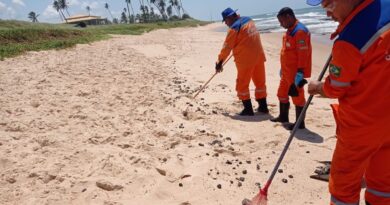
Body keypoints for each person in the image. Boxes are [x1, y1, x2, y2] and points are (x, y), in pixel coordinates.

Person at [306, 0, 390, 204]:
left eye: (329, 5)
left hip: (361, 127)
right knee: (383, 183)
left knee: (344, 186)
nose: (327, 15)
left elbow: (337, 87)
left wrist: (317, 87)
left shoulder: (350, 39)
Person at [216, 7, 268, 116]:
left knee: (242, 84)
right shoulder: (249, 20)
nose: (225, 23)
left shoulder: (234, 28)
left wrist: (219, 62)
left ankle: (248, 110)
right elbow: (247, 37)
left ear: (230, 17)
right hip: (259, 56)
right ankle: (263, 107)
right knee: (260, 82)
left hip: (246, 60)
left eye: (225, 20)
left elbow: (226, 48)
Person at [270, 7, 312, 130]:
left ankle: (300, 124)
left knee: (297, 97)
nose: (280, 24)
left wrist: (300, 72)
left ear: (289, 17)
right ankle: (283, 117)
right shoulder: (290, 30)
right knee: (281, 94)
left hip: (295, 73)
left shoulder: (300, 32)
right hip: (286, 71)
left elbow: (302, 54)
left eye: (282, 21)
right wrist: (283, 68)